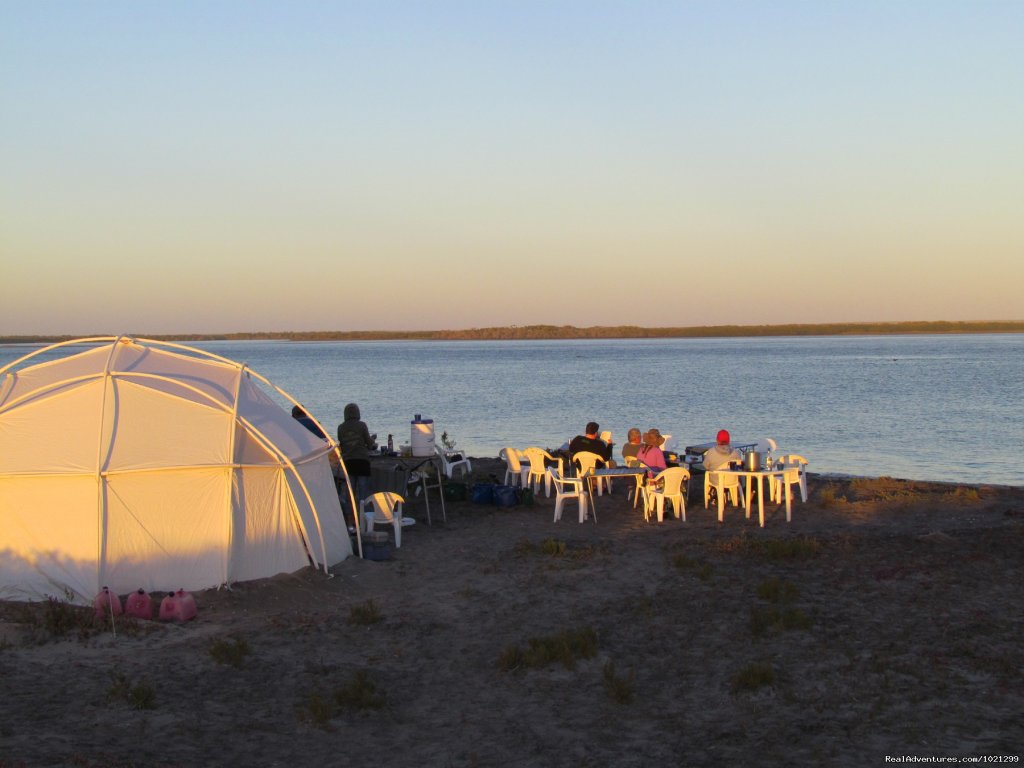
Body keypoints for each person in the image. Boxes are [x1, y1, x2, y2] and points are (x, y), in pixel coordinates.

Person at [337, 403, 376, 502]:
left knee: (350, 492)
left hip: (348, 462)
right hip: (362, 462)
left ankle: (351, 514)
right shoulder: (362, 425)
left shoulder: (340, 428)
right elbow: (369, 444)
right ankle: (363, 514)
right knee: (363, 493)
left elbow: (342, 445)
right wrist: (373, 439)